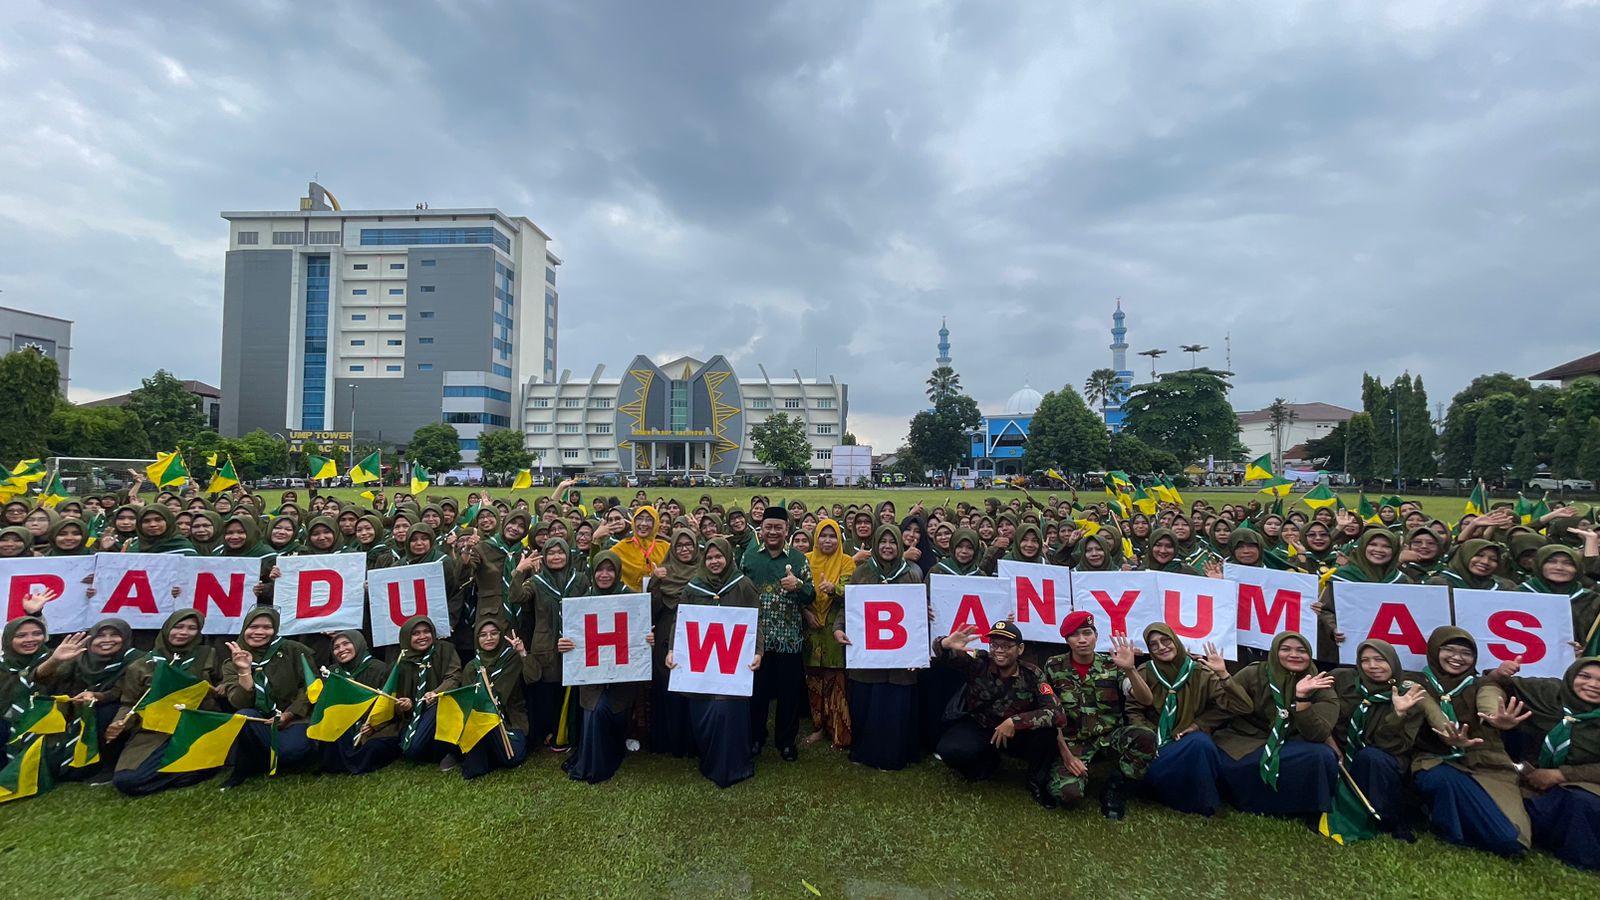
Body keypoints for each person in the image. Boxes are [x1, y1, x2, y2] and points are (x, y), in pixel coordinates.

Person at [1411, 626, 1530, 857]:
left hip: (1486, 766)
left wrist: (1496, 718)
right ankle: (1452, 830)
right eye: (1449, 649)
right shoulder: (1415, 681)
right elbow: (1428, 706)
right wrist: (1446, 732)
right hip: (1437, 761)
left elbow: (1490, 698)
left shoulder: (1481, 684)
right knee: (1441, 778)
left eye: (1466, 653)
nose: (1457, 657)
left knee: (1512, 839)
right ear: (1435, 650)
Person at [931, 620, 1065, 805]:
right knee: (949, 749)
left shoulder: (1033, 674)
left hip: (1016, 733)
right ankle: (985, 766)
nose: (999, 650)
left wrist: (1015, 722)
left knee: (1046, 735)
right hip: (981, 725)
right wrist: (945, 643)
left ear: (1020, 649)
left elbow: (1057, 713)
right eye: (995, 645)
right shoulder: (979, 662)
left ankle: (1036, 782)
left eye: (1006, 646)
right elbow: (945, 656)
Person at [1487, 655, 1600, 870]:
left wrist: (1561, 775)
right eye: (1585, 676)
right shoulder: (1547, 693)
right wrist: (1498, 673)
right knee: (1511, 810)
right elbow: (1496, 683)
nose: (1593, 685)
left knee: (1582, 804)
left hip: (1586, 784)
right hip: (1529, 779)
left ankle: (1582, 860)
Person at [1041, 611, 1157, 817]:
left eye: (1087, 633)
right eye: (1075, 635)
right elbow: (1051, 713)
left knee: (1145, 737)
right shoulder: (1054, 666)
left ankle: (1115, 788)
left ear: (1096, 635)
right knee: (1068, 795)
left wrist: (1131, 670)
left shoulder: (1112, 665)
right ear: (1067, 640)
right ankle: (1069, 773)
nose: (1082, 640)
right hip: (1073, 741)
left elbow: (1146, 699)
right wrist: (1067, 756)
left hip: (1109, 737)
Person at [1213, 631, 1339, 818]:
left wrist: (1302, 698)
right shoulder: (1254, 672)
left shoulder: (1320, 682)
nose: (1294, 655)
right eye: (1285, 649)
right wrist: (1200, 724)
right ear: (1274, 652)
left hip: (1292, 741)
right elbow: (1224, 704)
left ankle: (1310, 812)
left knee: (1321, 756)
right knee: (1235, 762)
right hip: (1250, 738)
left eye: (1301, 651)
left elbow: (1317, 734)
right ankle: (1253, 805)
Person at [668, 537, 762, 788]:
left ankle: (734, 764)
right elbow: (681, 621)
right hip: (702, 664)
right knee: (705, 712)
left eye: (718, 556)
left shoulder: (744, 586)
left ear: (728, 557)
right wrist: (672, 649)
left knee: (728, 712)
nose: (714, 561)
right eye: (709, 558)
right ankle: (709, 760)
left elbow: (756, 623)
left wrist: (758, 652)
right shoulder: (693, 587)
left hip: (732, 664)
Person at [1132, 623, 1248, 816]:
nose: (1161, 647)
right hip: (1157, 747)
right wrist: (1148, 738)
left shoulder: (1200, 673)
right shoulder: (1145, 672)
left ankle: (1203, 804)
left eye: (1166, 640)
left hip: (1186, 742)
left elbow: (1241, 707)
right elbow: (1133, 710)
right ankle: (1158, 790)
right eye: (1153, 644)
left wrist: (1223, 675)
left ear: (1176, 641)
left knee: (1201, 743)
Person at [835, 524, 922, 770]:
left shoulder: (912, 573)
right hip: (868, 655)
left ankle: (894, 755)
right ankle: (864, 751)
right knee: (867, 703)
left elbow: (918, 613)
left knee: (895, 706)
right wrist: (839, 628)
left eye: (892, 542)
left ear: (899, 544)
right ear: (875, 544)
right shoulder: (861, 573)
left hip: (900, 659)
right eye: (882, 542)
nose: (887, 546)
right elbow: (847, 606)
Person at [110, 609, 224, 796]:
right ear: (167, 628)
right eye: (178, 626)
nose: (183, 632)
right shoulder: (141, 665)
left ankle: (198, 766)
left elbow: (224, 685)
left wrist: (216, 690)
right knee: (127, 781)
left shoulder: (208, 654)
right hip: (156, 730)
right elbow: (129, 703)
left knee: (203, 765)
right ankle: (187, 769)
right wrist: (120, 721)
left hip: (195, 727)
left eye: (191, 628)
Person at [563, 568, 656, 784]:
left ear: (617, 572)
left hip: (622, 677)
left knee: (611, 709)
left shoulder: (631, 599)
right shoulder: (582, 601)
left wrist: (646, 639)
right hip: (592, 675)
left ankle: (614, 750)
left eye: (609, 570)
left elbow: (638, 632)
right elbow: (571, 635)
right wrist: (564, 644)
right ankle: (592, 762)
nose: (604, 575)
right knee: (595, 711)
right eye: (600, 570)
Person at [1331, 639, 1426, 836]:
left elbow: (1394, 746)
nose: (1372, 666)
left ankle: (1386, 818)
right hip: (1344, 754)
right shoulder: (1344, 682)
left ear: (1393, 661)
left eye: (1380, 659)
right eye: (1365, 660)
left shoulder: (1409, 695)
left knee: (1371, 757)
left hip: (1387, 758)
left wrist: (1397, 715)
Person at [742, 506, 813, 762]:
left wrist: (799, 586)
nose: (772, 532)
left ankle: (786, 742)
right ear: (761, 529)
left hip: (789, 638)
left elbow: (812, 594)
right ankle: (755, 738)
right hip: (758, 639)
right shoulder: (750, 558)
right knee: (757, 692)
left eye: (778, 527)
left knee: (788, 693)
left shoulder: (798, 559)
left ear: (787, 530)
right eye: (768, 527)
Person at [35, 617, 145, 783]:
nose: (107, 640)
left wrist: (96, 696)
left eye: (114, 635)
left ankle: (107, 764)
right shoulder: (77, 655)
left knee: (106, 712)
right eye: (100, 636)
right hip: (74, 710)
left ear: (126, 637)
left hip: (112, 709)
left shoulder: (136, 659)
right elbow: (45, 680)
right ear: (91, 638)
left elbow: (121, 692)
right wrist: (55, 661)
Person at [221, 607, 316, 785]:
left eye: (267, 627)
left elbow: (312, 685)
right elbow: (238, 702)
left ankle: (273, 756)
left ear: (275, 630)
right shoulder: (232, 662)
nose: (259, 632)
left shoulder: (294, 650)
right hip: (260, 721)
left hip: (293, 717)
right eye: (253, 626)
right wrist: (244, 672)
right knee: (242, 716)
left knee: (292, 752)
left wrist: (290, 714)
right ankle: (246, 765)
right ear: (244, 628)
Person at [456, 615, 537, 779]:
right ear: (477, 639)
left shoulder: (512, 659)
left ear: (501, 635)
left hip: (511, 720)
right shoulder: (472, 667)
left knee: (514, 758)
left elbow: (534, 677)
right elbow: (468, 701)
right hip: (483, 721)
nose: (489, 638)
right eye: (483, 635)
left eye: (494, 633)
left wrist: (522, 652)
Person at [1316, 529, 1410, 663]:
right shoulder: (1342, 577)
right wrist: (1334, 628)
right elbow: (1326, 610)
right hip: (1346, 653)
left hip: (1390, 654)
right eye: (1373, 544)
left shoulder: (1401, 580)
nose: (1379, 550)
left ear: (1394, 551)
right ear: (1363, 546)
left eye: (1386, 546)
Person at [649, 530, 701, 757]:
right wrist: (655, 582)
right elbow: (651, 609)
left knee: (691, 686)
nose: (684, 549)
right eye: (679, 545)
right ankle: (667, 739)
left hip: (695, 633)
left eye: (689, 544)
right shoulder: (663, 571)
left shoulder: (704, 571)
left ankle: (691, 740)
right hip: (666, 632)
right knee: (667, 685)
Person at [320, 630, 400, 775]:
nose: (341, 649)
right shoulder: (333, 672)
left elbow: (388, 706)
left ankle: (348, 764)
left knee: (375, 747)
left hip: (375, 725)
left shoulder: (379, 669)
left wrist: (374, 725)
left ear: (358, 643)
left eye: (346, 643)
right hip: (345, 724)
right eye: (336, 647)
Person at [804, 518, 854, 750]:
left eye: (832, 535)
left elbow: (852, 592)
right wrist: (805, 612)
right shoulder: (806, 561)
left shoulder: (846, 562)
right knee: (814, 682)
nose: (827, 540)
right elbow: (800, 592)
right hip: (812, 629)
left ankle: (839, 732)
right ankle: (818, 728)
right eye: (822, 535)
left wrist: (835, 589)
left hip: (836, 628)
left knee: (836, 683)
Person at [393, 615, 464, 769]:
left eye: (426, 631)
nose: (422, 637)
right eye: (416, 633)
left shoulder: (445, 650)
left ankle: (451, 752)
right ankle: (441, 752)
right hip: (415, 714)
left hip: (443, 706)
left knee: (441, 705)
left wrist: (437, 693)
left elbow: (454, 676)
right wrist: (406, 704)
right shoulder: (402, 661)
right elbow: (396, 697)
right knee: (411, 751)